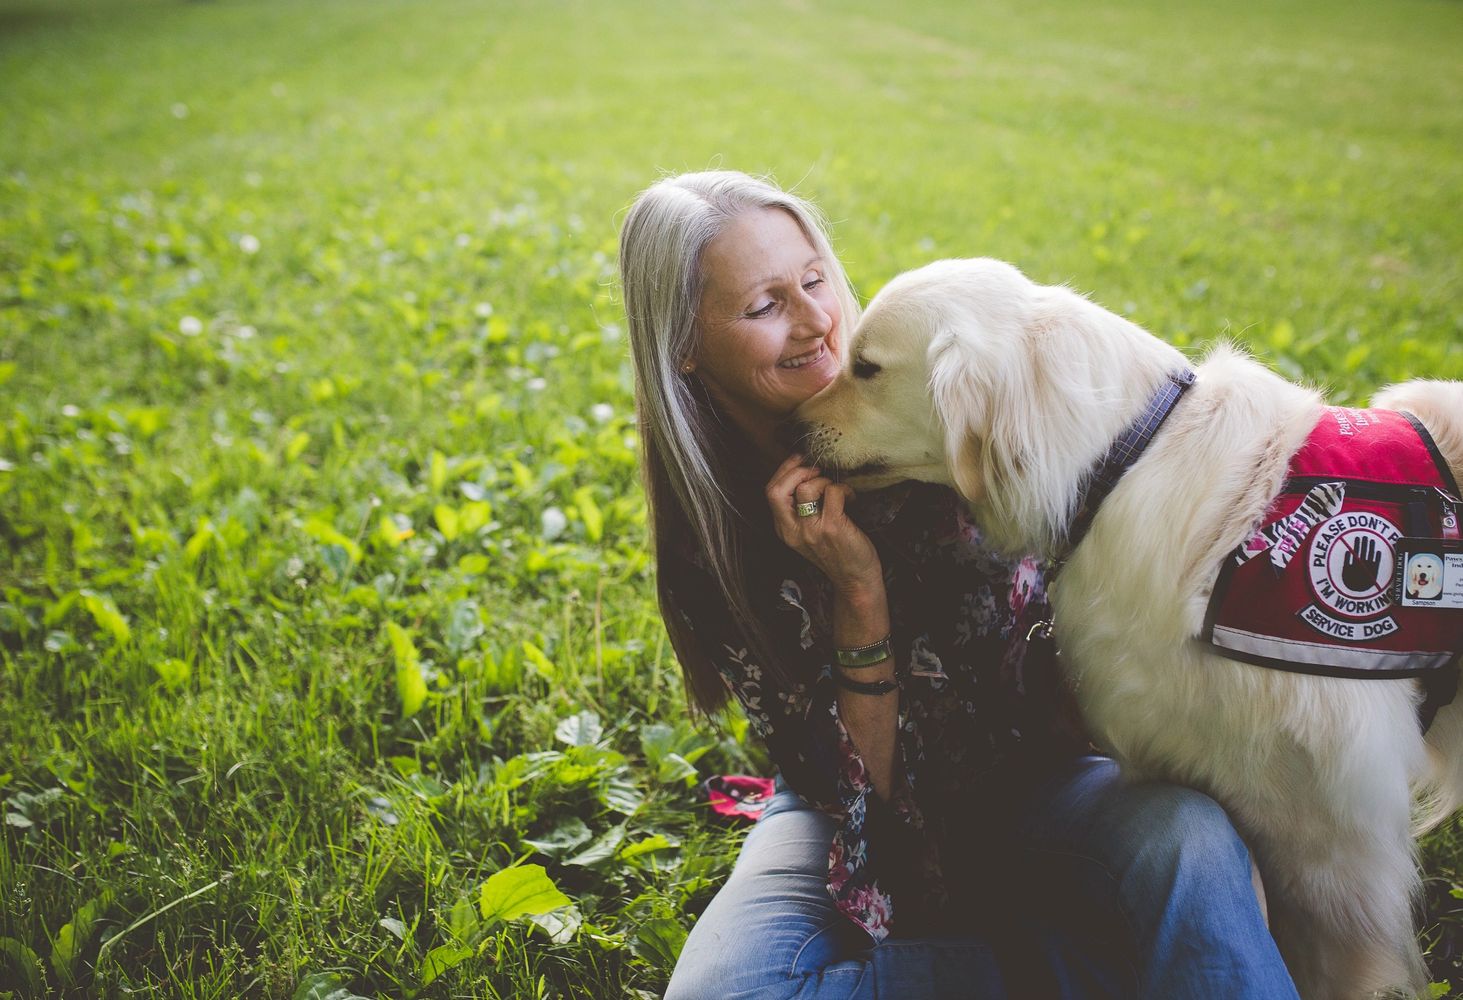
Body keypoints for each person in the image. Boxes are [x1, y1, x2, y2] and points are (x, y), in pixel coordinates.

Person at [618, 169, 1298, 999]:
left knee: (1185, 841)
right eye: (763, 308)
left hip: (1040, 780)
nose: (815, 322)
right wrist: (856, 594)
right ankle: (1125, 968)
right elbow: (848, 793)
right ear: (683, 343)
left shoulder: (936, 398)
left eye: (812, 279)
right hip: (843, 816)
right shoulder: (712, 533)